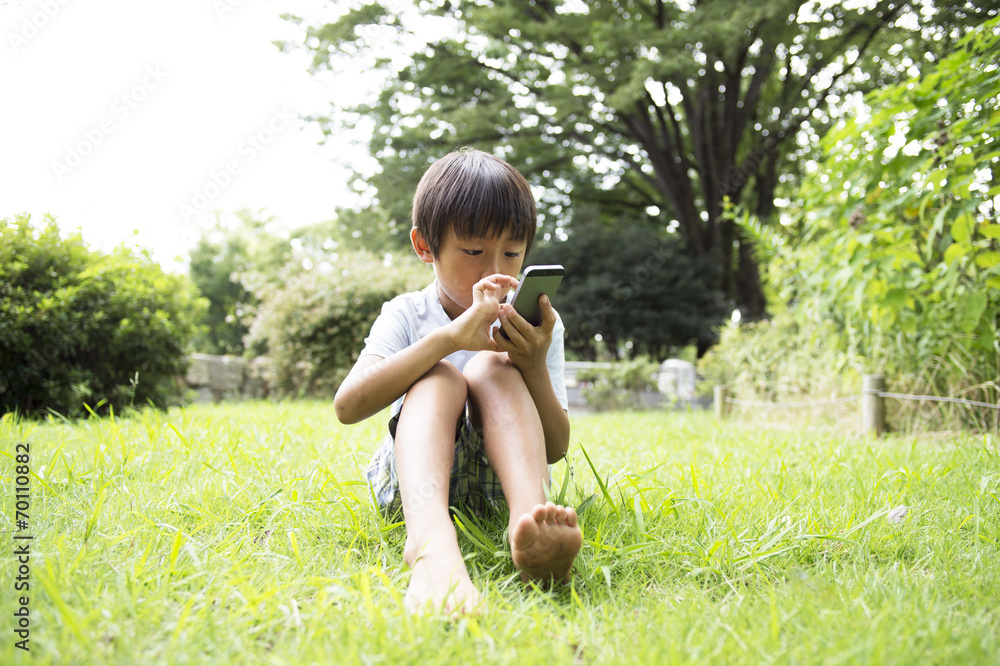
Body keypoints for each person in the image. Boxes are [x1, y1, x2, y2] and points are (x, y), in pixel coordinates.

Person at [333, 148, 583, 616]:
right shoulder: (406, 313)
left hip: (501, 486)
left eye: (512, 252)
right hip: (418, 485)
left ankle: (529, 528)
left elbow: (555, 448)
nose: (496, 268)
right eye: (473, 251)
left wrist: (529, 363)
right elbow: (347, 405)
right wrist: (446, 340)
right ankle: (431, 549)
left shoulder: (538, 323)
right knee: (441, 377)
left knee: (493, 369)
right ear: (425, 246)